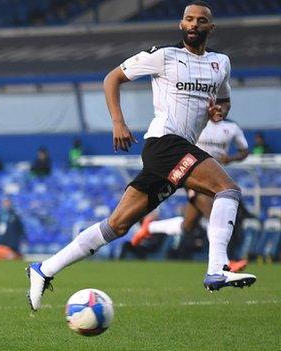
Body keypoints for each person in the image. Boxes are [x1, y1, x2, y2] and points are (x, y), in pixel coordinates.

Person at [26, 1, 256, 311]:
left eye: (201, 21)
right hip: (165, 143)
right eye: (188, 18)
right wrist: (118, 122)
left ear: (209, 28)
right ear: (180, 24)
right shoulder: (164, 56)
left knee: (117, 226)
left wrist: (219, 110)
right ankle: (217, 267)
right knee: (227, 189)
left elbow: (224, 100)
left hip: (176, 152)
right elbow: (112, 78)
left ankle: (45, 269)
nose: (194, 24)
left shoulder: (220, 64)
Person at [132, 118, 251, 272]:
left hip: (214, 180)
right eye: (218, 103)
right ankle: (223, 263)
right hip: (192, 176)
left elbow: (245, 150)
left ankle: (150, 228)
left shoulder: (232, 127)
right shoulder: (198, 121)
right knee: (213, 216)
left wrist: (231, 158)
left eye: (224, 104)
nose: (220, 108)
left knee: (187, 225)